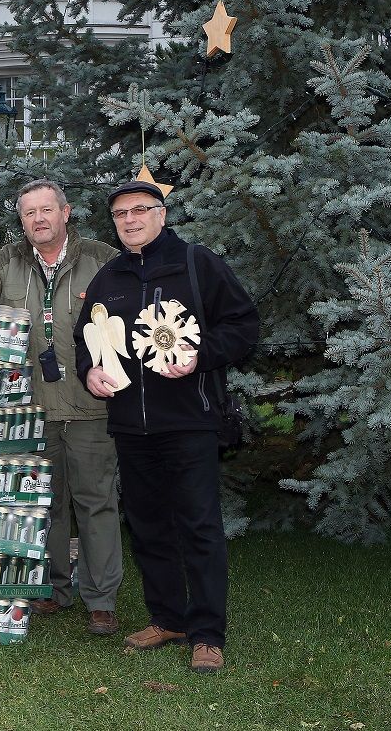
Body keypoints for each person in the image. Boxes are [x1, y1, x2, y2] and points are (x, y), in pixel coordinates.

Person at [74, 179, 259, 674]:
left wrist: (200, 357)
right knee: (149, 527)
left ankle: (207, 633)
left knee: (199, 527)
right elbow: (84, 342)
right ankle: (168, 617)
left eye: (140, 210)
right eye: (120, 214)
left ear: (162, 213)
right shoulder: (108, 277)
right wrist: (89, 372)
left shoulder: (198, 263)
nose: (130, 220)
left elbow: (243, 325)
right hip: (131, 427)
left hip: (190, 421)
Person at [0, 178, 122, 635]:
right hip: (30, 409)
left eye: (47, 210)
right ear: (22, 219)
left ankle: (101, 599)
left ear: (65, 212)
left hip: (93, 404)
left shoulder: (100, 259)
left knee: (96, 503)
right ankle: (53, 587)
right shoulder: (8, 261)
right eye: (30, 212)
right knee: (44, 503)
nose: (39, 219)